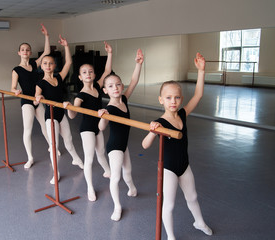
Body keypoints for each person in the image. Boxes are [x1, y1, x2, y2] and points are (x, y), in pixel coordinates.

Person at [142, 53, 212, 240]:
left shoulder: (182, 114)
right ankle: (171, 237)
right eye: (168, 97)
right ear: (161, 100)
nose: (173, 101)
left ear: (180, 99)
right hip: (169, 169)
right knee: (169, 205)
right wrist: (152, 131)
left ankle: (199, 222)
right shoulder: (159, 122)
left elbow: (198, 95)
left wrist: (201, 71)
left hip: (184, 165)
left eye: (177, 97)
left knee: (192, 197)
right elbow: (145, 145)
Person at [97, 49, 144, 221]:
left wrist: (138, 64)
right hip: (115, 146)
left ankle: (131, 188)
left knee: (128, 171)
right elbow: (101, 128)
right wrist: (102, 116)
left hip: (124, 145)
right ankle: (117, 207)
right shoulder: (109, 109)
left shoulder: (124, 99)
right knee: (115, 177)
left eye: (118, 84)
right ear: (105, 91)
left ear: (121, 86)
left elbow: (134, 81)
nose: (115, 88)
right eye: (110, 86)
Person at [63, 41, 112, 202]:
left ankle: (108, 172)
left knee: (101, 153)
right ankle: (90, 187)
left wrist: (110, 53)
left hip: (98, 127)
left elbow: (107, 70)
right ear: (80, 77)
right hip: (87, 129)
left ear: (94, 75)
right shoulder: (80, 96)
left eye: (90, 71)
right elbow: (72, 116)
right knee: (89, 158)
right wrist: (69, 107)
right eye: (84, 72)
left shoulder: (98, 87)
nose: (88, 74)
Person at [35, 35, 84, 184]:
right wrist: (39, 98)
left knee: (68, 140)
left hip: (61, 114)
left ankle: (76, 159)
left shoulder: (59, 77)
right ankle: (55, 173)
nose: (48, 65)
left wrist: (66, 46)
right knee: (54, 145)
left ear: (54, 65)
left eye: (51, 63)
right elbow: (37, 97)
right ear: (41, 66)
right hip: (50, 116)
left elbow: (69, 62)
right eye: (45, 63)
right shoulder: (40, 83)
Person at [11, 23, 51, 169]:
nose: (25, 51)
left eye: (27, 49)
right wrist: (15, 91)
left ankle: (52, 148)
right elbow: (13, 87)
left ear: (30, 52)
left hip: (37, 99)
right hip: (27, 101)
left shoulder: (34, 64)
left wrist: (46, 36)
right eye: (22, 50)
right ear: (19, 53)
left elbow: (46, 52)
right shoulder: (16, 70)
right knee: (27, 130)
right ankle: (30, 157)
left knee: (45, 126)